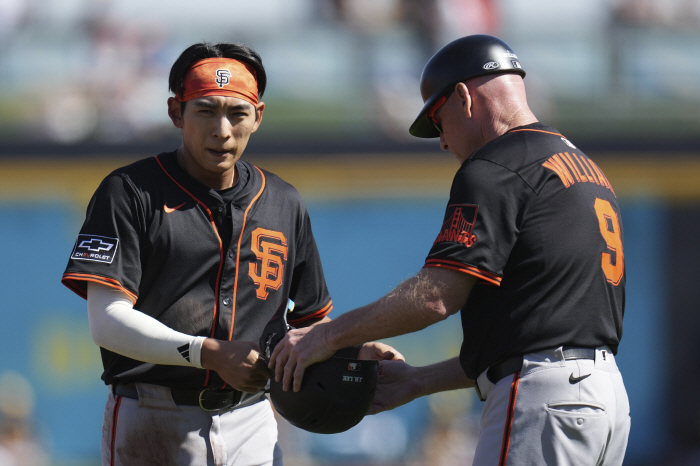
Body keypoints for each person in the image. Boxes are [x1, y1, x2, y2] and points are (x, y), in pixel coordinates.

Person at [270, 34, 630, 465]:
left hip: (544, 401)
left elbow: (436, 296)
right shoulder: (582, 168)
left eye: (439, 121)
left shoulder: (497, 164)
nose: (441, 140)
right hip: (603, 400)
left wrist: (327, 335)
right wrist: (419, 381)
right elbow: (535, 334)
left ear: (464, 97)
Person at [61, 41, 401, 466]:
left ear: (257, 116)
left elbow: (310, 322)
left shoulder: (283, 201)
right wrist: (209, 352)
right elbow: (107, 322)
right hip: (152, 417)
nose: (222, 129)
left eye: (237, 113)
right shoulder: (130, 191)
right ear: (175, 112)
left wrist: (353, 350)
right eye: (205, 110)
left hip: (253, 417)